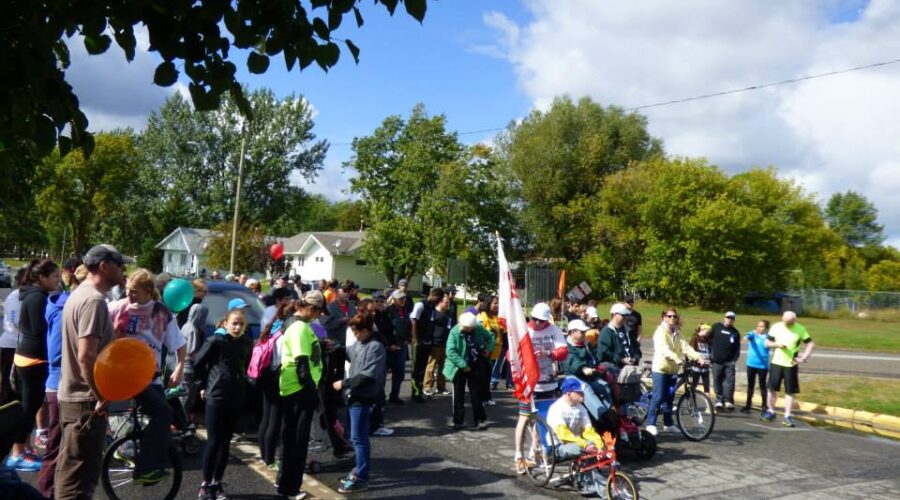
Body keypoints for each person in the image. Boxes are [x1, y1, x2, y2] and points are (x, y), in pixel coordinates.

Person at [56, 244, 129, 499]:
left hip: (75, 398)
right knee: (79, 480)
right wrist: (100, 395)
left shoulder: (80, 294)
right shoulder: (93, 301)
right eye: (120, 265)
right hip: (85, 402)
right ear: (104, 266)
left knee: (70, 471)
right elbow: (86, 356)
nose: (123, 271)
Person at [108, 268, 187, 484]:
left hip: (150, 376)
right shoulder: (117, 308)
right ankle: (146, 467)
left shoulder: (161, 312)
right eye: (127, 290)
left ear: (147, 291)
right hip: (126, 374)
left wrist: (180, 367)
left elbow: (179, 343)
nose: (129, 295)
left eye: (134, 291)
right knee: (163, 414)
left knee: (162, 418)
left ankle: (141, 457)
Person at [193, 308, 253, 499]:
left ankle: (217, 483)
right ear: (225, 323)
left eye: (241, 324)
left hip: (235, 397)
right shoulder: (216, 341)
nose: (237, 327)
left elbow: (246, 365)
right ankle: (205, 483)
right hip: (216, 396)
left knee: (225, 443)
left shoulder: (245, 343)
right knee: (213, 441)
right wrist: (203, 385)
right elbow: (198, 364)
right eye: (234, 323)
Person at [37, 260, 84, 497]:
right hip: (59, 383)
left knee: (66, 445)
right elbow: (55, 353)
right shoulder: (63, 308)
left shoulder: (61, 304)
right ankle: (46, 491)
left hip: (63, 383)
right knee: (56, 445)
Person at [9, 259, 60, 471]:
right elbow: (42, 330)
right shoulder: (39, 298)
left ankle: (21, 449)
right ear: (42, 278)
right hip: (33, 359)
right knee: (29, 409)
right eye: (55, 277)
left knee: (27, 407)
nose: (59, 281)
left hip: (25, 356)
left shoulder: (31, 294)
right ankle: (17, 454)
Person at [277, 291, 326, 500]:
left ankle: (285, 482)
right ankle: (290, 487)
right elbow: (301, 362)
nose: (317, 316)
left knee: (292, 438)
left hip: (297, 388)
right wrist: (310, 391)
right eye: (317, 312)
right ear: (310, 308)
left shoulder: (301, 326)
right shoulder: (299, 328)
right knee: (297, 440)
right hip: (299, 389)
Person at [334, 314, 387, 493]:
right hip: (353, 396)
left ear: (365, 331)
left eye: (357, 332)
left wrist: (343, 383)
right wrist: (331, 347)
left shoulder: (375, 347)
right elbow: (348, 351)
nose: (355, 336)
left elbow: (367, 375)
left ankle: (361, 477)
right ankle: (359, 469)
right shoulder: (360, 343)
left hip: (363, 397)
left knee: (359, 438)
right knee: (355, 436)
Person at [514, 302, 567, 474]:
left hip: (548, 381)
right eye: (535, 320)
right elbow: (510, 354)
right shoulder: (523, 330)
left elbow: (564, 351)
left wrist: (549, 354)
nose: (538, 323)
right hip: (528, 384)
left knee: (542, 419)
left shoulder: (553, 330)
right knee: (524, 418)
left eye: (541, 321)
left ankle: (534, 452)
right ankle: (519, 456)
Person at [646, 307, 706, 436]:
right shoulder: (660, 332)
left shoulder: (677, 333)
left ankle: (668, 424)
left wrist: (698, 356)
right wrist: (676, 358)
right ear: (664, 317)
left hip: (672, 370)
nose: (672, 318)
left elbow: (686, 347)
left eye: (674, 316)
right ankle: (650, 424)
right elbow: (663, 349)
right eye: (669, 316)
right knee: (659, 397)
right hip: (661, 369)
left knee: (669, 398)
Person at [256, 301, 295, 471]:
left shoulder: (272, 329)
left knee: (266, 417)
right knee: (275, 420)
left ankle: (264, 455)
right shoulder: (284, 335)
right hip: (277, 378)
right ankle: (270, 458)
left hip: (265, 377)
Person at [443, 312, 494, 432]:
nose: (467, 329)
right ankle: (458, 421)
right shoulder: (455, 331)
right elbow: (450, 352)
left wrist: (489, 349)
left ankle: (480, 419)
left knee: (476, 394)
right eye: (465, 328)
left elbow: (490, 336)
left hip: (476, 364)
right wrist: (463, 365)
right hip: (458, 366)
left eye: (469, 328)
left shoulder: (478, 327)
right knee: (458, 395)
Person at [762, 311, 814, 427]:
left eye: (790, 323)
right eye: (786, 322)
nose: (788, 325)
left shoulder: (800, 329)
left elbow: (810, 344)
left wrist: (804, 357)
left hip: (791, 364)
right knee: (771, 389)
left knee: (790, 391)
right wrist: (776, 345)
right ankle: (771, 411)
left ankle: (787, 415)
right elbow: (767, 343)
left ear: (794, 320)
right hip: (776, 362)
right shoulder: (776, 327)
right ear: (782, 319)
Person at [562, 319, 612, 421]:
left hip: (589, 375)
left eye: (585, 332)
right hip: (572, 376)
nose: (585, 334)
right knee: (585, 388)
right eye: (582, 332)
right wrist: (583, 368)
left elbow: (594, 359)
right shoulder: (565, 346)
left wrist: (597, 367)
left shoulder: (586, 344)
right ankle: (602, 416)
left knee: (604, 386)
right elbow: (572, 361)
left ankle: (610, 412)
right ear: (572, 332)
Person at [546, 377, 603, 460]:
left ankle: (591, 470)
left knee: (595, 445)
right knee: (581, 449)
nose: (582, 394)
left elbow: (588, 431)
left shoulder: (582, 409)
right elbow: (564, 435)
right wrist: (585, 444)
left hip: (577, 441)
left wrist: (599, 445)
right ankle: (588, 471)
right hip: (558, 445)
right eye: (579, 392)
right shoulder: (556, 408)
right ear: (569, 394)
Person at [410, 288, 444, 401]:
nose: (438, 301)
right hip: (419, 342)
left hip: (428, 342)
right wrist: (416, 340)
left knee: (423, 369)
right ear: (433, 295)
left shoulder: (431, 307)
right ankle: (415, 393)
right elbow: (414, 321)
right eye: (438, 298)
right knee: (417, 368)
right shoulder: (420, 305)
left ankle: (419, 391)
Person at [1, 266, 27, 406]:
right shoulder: (15, 296)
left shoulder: (25, 295)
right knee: (8, 384)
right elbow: (15, 320)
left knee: (18, 384)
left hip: (20, 344)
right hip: (11, 345)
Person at [480, 296, 511, 398]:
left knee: (489, 373)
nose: (497, 305)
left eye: (498, 304)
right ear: (488, 304)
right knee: (484, 374)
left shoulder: (496, 317)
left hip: (496, 351)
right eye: (495, 303)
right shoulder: (483, 316)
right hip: (486, 351)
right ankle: (482, 396)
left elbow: (501, 329)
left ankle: (486, 396)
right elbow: (481, 332)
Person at [710, 311, 741, 411]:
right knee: (717, 380)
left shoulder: (735, 332)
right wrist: (710, 355)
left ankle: (728, 401)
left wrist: (734, 360)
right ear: (724, 318)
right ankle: (719, 400)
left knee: (729, 382)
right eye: (728, 317)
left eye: (732, 318)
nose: (729, 320)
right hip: (717, 360)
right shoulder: (716, 327)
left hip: (729, 362)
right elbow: (708, 339)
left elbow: (737, 347)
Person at [423, 294, 452, 397]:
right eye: (446, 302)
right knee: (431, 366)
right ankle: (427, 387)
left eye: (449, 302)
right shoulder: (433, 313)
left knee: (443, 367)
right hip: (434, 343)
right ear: (440, 302)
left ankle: (441, 387)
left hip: (445, 344)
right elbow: (429, 327)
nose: (448, 304)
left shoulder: (449, 313)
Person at [597, 303, 640, 369]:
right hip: (616, 368)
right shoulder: (607, 332)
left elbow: (636, 347)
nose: (626, 317)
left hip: (631, 367)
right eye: (623, 315)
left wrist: (635, 358)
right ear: (614, 315)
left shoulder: (628, 330)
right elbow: (604, 352)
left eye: (627, 315)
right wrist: (620, 360)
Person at [386, 291, 410, 404]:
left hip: (402, 345)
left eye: (404, 299)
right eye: (400, 299)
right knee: (384, 372)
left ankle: (394, 396)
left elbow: (408, 326)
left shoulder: (405, 311)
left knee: (399, 372)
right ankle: (380, 397)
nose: (403, 301)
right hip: (390, 346)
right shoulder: (389, 310)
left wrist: (408, 338)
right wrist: (389, 344)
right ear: (394, 299)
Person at [743, 319, 771, 413]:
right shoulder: (752, 334)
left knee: (763, 385)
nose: (760, 328)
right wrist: (746, 338)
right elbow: (746, 337)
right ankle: (748, 404)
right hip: (751, 364)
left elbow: (773, 343)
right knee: (750, 385)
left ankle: (764, 405)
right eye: (759, 326)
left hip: (762, 365)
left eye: (763, 326)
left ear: (766, 328)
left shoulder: (768, 337)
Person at [688, 323, 712, 394]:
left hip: (706, 365)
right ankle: (691, 399)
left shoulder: (708, 339)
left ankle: (707, 400)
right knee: (694, 383)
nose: (708, 333)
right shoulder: (695, 338)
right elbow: (691, 350)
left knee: (706, 385)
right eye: (706, 331)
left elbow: (710, 350)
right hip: (696, 366)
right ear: (701, 330)